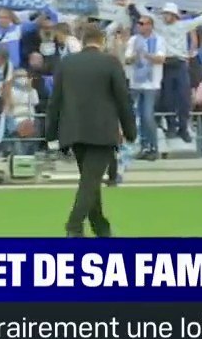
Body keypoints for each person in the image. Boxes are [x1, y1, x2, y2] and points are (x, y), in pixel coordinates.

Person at [46, 23, 137, 238]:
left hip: (74, 131)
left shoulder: (67, 63)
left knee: (90, 180)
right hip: (102, 131)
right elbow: (123, 99)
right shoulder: (110, 63)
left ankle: (101, 228)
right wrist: (130, 130)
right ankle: (74, 226)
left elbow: (55, 101)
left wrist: (51, 134)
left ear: (83, 39)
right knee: (90, 181)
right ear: (102, 41)